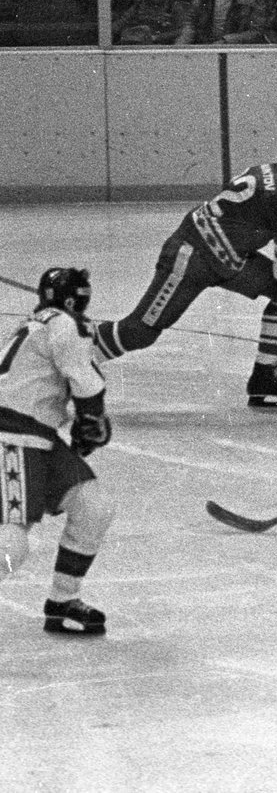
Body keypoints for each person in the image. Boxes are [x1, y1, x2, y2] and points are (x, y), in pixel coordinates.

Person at [92, 134, 277, 408]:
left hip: (225, 258)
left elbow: (255, 213)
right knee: (139, 332)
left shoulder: (271, 172)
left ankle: (264, 376)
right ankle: (72, 353)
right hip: (191, 258)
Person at [0, 269, 117, 635]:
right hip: (10, 434)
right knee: (13, 542)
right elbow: (85, 383)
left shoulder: (41, 323)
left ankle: (62, 601)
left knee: (93, 505)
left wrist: (87, 421)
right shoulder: (64, 323)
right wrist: (91, 419)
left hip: (36, 434)